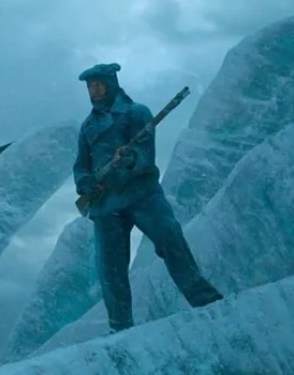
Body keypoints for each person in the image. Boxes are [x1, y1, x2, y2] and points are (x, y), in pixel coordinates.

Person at [73, 62, 223, 333]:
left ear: (111, 84)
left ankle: (205, 300)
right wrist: (85, 183)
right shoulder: (88, 126)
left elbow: (146, 155)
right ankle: (120, 327)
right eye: (90, 87)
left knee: (170, 238)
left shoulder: (137, 113)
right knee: (110, 269)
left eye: (98, 85)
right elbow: (81, 165)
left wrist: (130, 158)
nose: (93, 91)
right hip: (106, 203)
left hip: (141, 193)